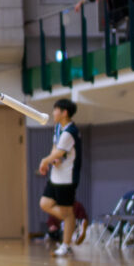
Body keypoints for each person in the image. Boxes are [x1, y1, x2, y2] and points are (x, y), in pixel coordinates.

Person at [38, 99, 82, 257]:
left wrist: (45, 160)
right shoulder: (58, 128)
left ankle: (66, 244)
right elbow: (56, 149)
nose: (53, 113)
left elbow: (61, 152)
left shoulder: (70, 131)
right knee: (45, 203)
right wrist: (51, 159)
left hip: (67, 178)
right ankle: (73, 223)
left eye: (55, 110)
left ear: (64, 113)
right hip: (56, 176)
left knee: (66, 211)